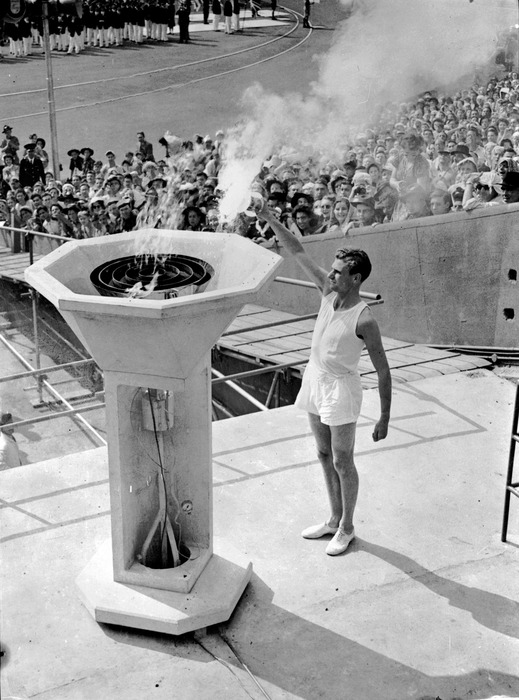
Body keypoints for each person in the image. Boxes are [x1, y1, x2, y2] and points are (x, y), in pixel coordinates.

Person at [255, 199, 391, 556]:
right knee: (322, 452)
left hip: (341, 389)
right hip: (315, 379)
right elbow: (297, 249)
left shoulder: (365, 320)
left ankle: (347, 527)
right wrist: (270, 217)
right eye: (331, 270)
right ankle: (333, 519)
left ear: (356, 278)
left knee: (343, 459)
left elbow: (383, 370)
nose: (330, 275)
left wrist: (384, 417)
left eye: (337, 272)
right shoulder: (328, 292)